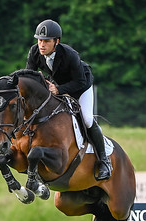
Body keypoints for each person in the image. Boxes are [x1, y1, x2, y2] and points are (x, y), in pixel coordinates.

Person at [25, 19, 112, 180]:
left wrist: (59, 89)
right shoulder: (35, 52)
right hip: (57, 86)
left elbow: (80, 81)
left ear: (56, 42)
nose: (42, 45)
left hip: (81, 87)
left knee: (86, 119)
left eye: (46, 41)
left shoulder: (70, 55)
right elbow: (29, 77)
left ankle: (104, 161)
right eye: (39, 40)